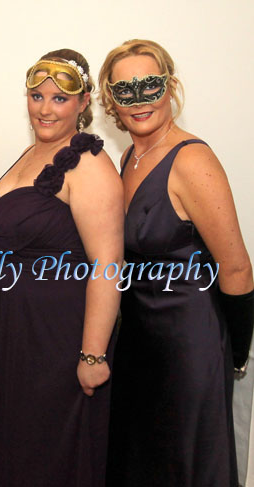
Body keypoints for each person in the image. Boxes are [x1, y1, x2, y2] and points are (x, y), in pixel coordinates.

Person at [99, 39, 254, 487]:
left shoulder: (192, 159)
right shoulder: (129, 158)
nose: (139, 99)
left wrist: (234, 353)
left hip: (189, 345)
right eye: (125, 90)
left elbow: (237, 268)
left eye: (151, 85)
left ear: (170, 86)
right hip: (139, 344)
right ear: (111, 100)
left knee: (185, 465)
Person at [0, 49, 123, 486]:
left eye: (59, 98)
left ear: (83, 102)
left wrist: (92, 355)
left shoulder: (88, 164)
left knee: (48, 460)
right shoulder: (27, 155)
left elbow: (108, 266)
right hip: (9, 342)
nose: (45, 108)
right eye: (36, 96)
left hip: (56, 345)